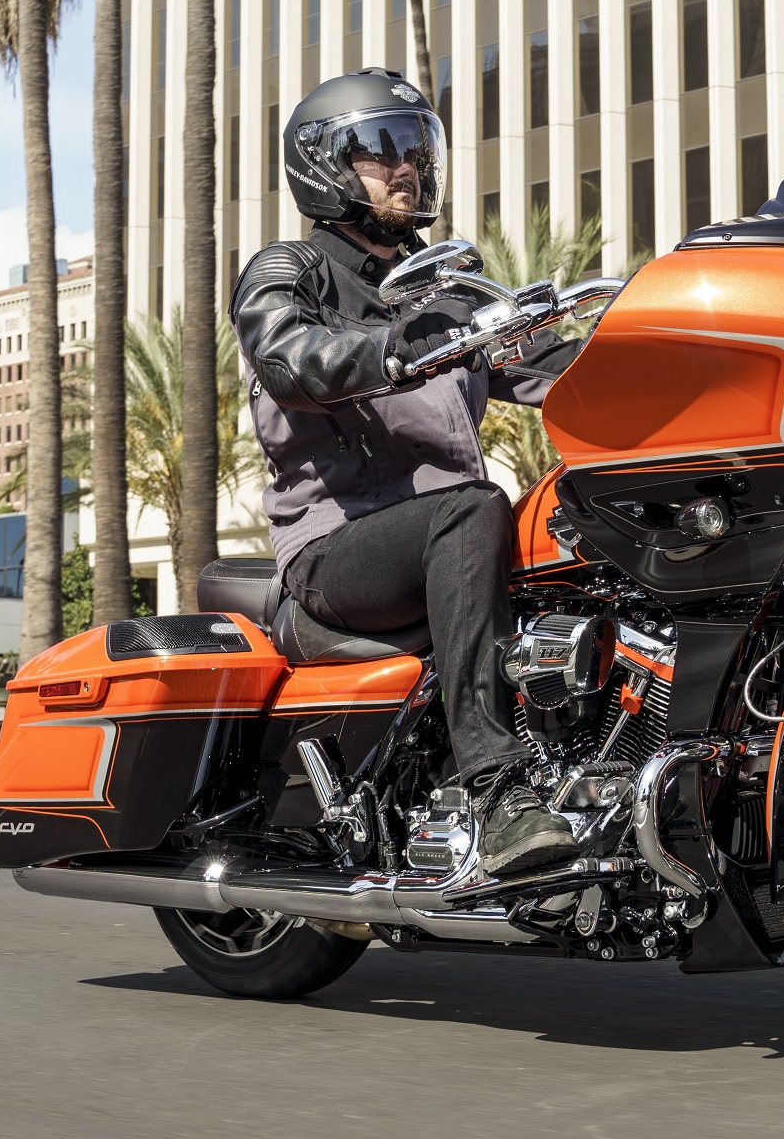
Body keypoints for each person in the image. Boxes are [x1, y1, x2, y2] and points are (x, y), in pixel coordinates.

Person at [230, 69, 578, 879]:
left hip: (445, 538)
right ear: (322, 165)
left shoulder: (448, 290)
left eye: (415, 150)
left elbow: (551, 368)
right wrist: (392, 350)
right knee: (473, 506)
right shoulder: (290, 271)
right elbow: (288, 354)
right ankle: (496, 793)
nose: (405, 168)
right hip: (337, 552)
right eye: (381, 153)